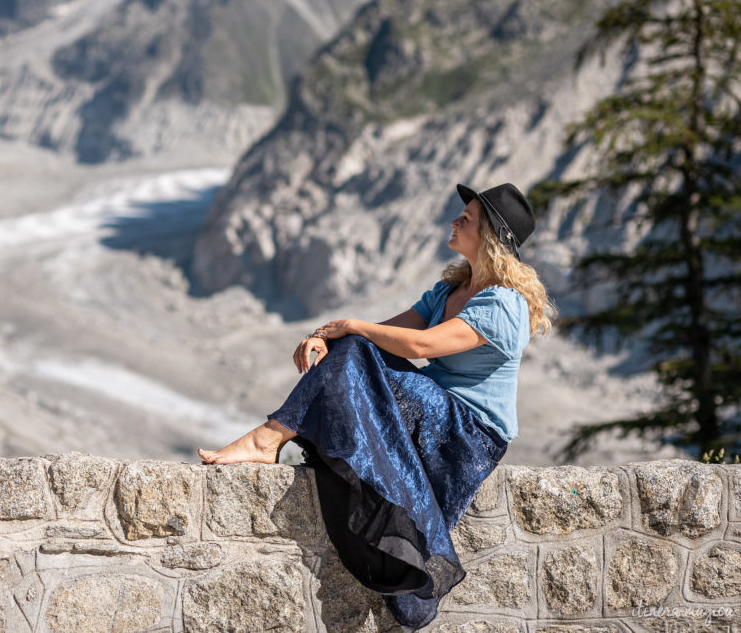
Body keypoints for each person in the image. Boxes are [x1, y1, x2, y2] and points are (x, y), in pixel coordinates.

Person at [197, 182, 556, 630]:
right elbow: (381, 335)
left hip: (467, 433)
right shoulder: (450, 290)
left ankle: (266, 438)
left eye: (466, 217)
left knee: (358, 346)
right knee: (353, 350)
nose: (455, 221)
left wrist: (350, 326)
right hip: (433, 412)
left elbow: (422, 344)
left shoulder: (503, 303)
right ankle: (268, 439)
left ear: (489, 236)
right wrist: (329, 336)